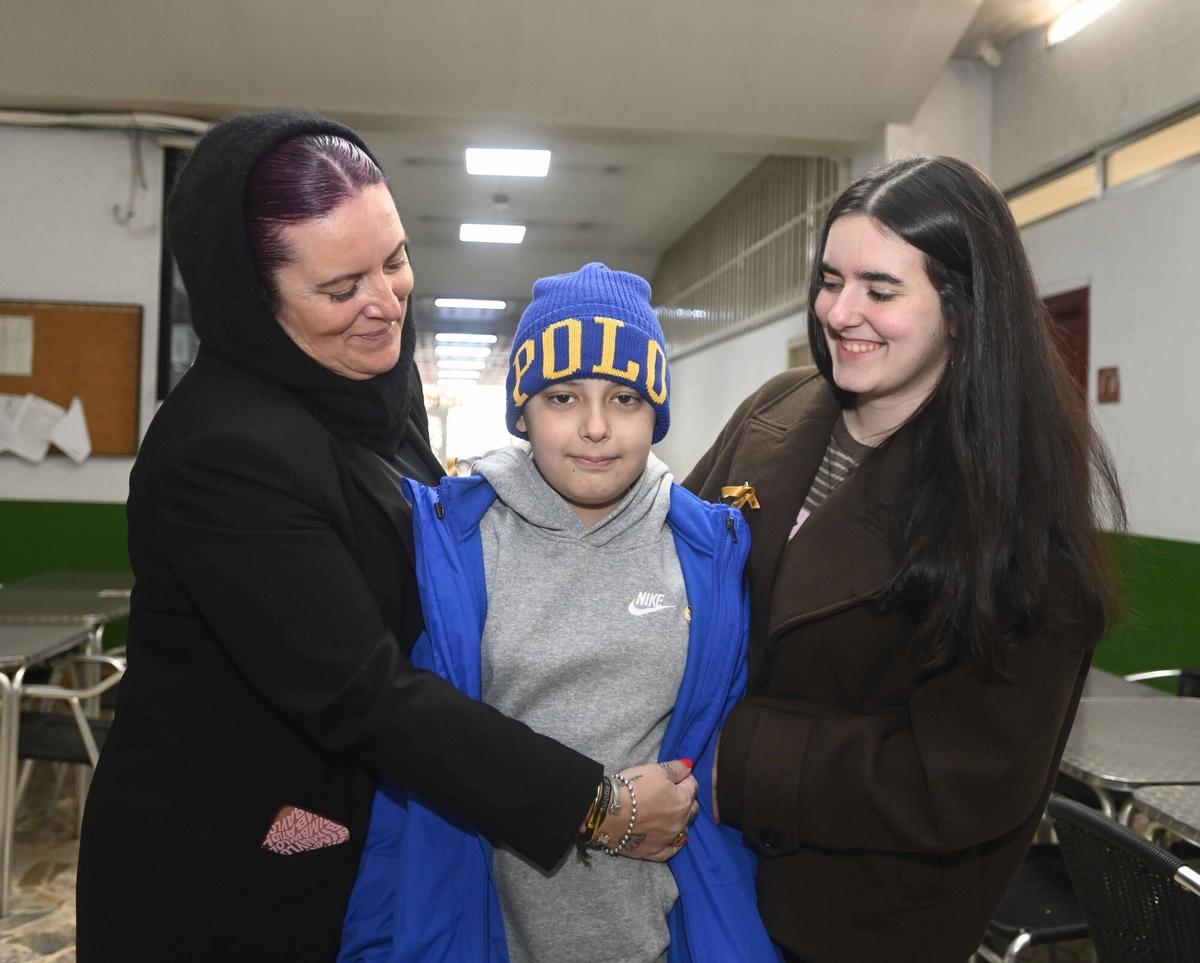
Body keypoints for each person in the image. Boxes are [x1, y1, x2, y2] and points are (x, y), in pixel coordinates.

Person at [75, 113, 696, 962]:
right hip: (232, 885)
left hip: (360, 857)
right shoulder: (221, 454)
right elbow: (363, 694)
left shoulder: (367, 391)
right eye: (341, 289)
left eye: (396, 259)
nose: (386, 301)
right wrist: (597, 805)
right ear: (252, 297)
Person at [683, 156, 1125, 963]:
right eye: (829, 279)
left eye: (880, 290)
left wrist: (737, 761)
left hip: (850, 922)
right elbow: (665, 570)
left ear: (960, 309)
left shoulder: (1019, 514)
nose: (840, 311)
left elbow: (962, 779)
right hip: (692, 876)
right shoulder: (775, 411)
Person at [340, 263, 779, 963]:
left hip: (656, 938)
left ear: (656, 411)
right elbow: (409, 765)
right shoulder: (450, 544)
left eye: (626, 398)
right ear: (524, 409)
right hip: (481, 933)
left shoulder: (710, 551)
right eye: (564, 396)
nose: (596, 428)